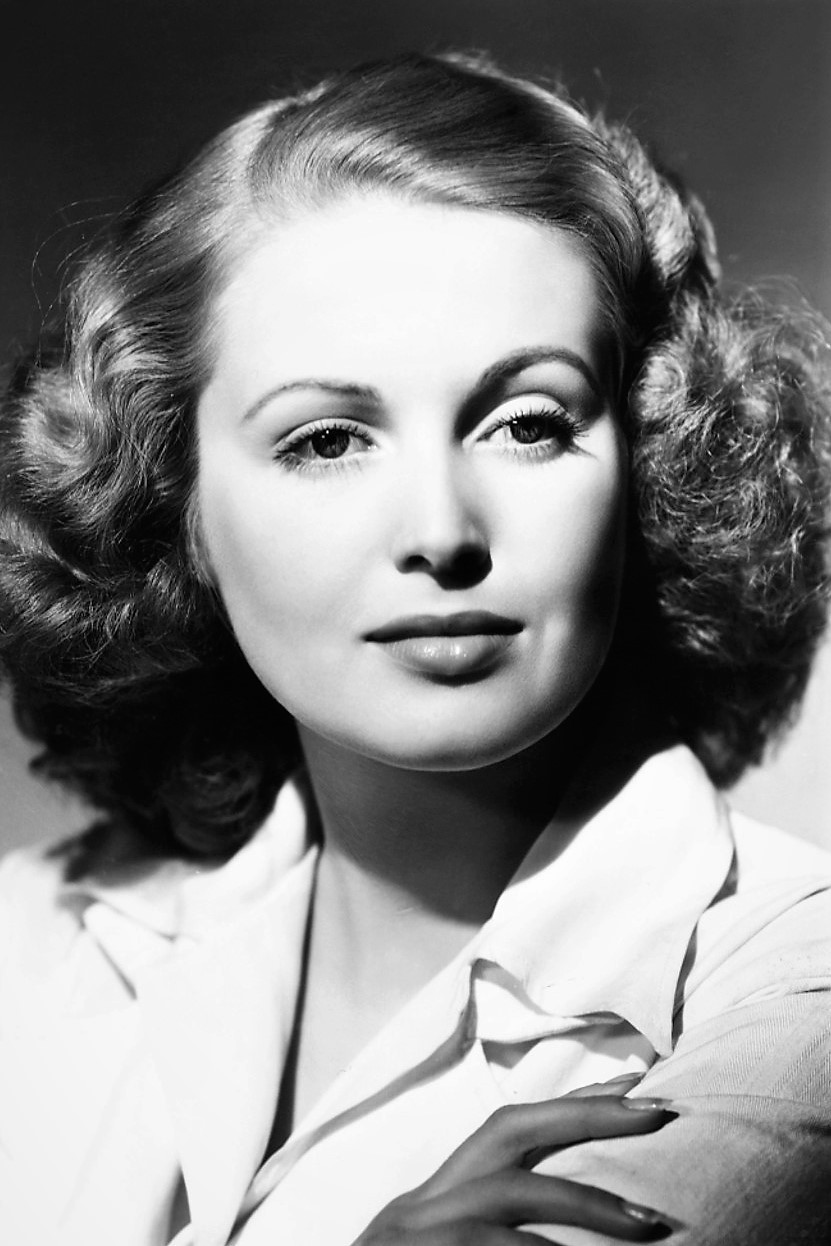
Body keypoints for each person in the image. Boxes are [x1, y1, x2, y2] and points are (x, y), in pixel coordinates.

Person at [1, 51, 830, 1246]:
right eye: (328, 440)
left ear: (650, 465)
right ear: (176, 506)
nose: (442, 532)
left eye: (528, 424)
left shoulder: (795, 988)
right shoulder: (31, 934)